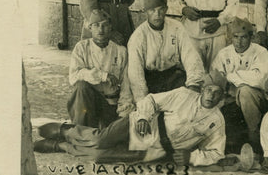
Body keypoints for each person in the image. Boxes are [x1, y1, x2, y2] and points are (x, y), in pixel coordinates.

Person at [34, 71, 228, 167]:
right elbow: (152, 100)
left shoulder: (216, 121)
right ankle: (66, 131)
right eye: (209, 90)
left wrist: (192, 157)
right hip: (144, 125)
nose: (211, 96)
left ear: (222, 97)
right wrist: (143, 117)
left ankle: (60, 146)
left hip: (158, 149)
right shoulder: (184, 95)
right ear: (203, 89)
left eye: (217, 93)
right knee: (100, 140)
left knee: (100, 157)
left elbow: (216, 152)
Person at [127, 0, 204, 104]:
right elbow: (136, 75)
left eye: (161, 9)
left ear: (166, 9)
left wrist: (193, 84)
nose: (157, 15)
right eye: (152, 10)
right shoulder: (138, 37)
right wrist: (143, 103)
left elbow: (191, 56)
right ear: (145, 12)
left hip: (173, 78)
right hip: (151, 82)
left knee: (189, 101)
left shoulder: (177, 27)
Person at [211, 17, 268, 154]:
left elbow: (259, 79)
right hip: (230, 99)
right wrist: (235, 81)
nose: (239, 41)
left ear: (251, 37)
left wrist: (231, 77)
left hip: (257, 100)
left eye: (244, 37)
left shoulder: (260, 52)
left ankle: (254, 135)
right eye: (235, 37)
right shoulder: (224, 53)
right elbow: (216, 78)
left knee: (245, 91)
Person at [67, 9, 134, 129]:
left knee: (111, 138)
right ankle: (80, 133)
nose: (101, 30)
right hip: (88, 105)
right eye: (96, 25)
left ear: (110, 27)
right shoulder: (81, 48)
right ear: (90, 28)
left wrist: (123, 112)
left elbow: (126, 85)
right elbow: (73, 77)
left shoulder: (120, 51)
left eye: (105, 25)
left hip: (111, 105)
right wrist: (103, 75)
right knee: (81, 87)